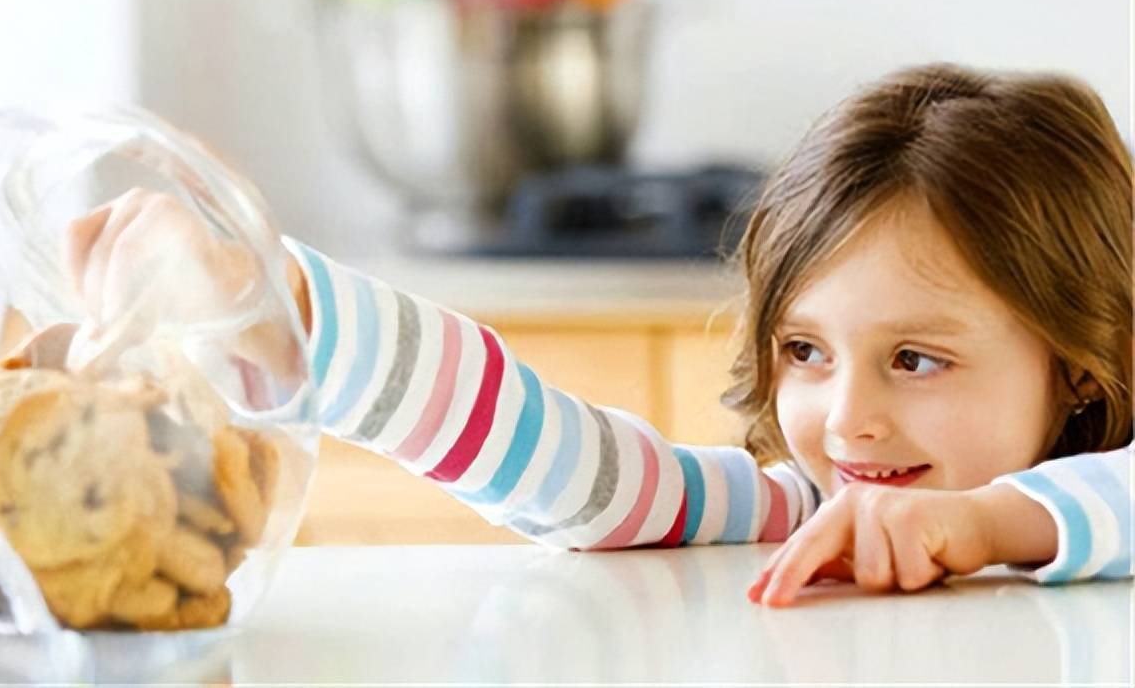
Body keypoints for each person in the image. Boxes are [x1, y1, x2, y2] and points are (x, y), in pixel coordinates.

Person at [65, 63, 1132, 607]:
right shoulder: (816, 509)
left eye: (916, 359)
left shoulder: (1087, 509)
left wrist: (989, 525)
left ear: (1077, 370)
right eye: (805, 351)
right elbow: (591, 476)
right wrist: (283, 310)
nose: (846, 418)